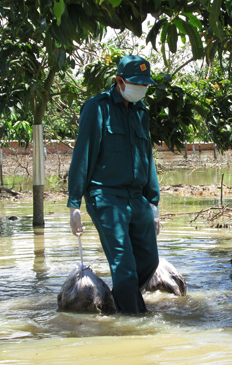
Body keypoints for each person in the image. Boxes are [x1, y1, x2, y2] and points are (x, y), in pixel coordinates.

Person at [67, 55, 161, 314]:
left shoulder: (141, 112)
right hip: (106, 196)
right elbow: (82, 154)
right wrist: (74, 203)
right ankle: (134, 323)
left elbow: (147, 157)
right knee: (125, 268)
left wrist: (153, 202)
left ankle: (118, 302)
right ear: (119, 81)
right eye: (135, 84)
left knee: (149, 262)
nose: (140, 90)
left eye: (145, 85)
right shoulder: (97, 108)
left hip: (137, 198)